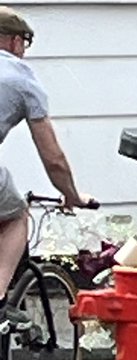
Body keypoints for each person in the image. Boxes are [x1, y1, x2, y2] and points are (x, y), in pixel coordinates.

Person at [0, 7, 94, 331]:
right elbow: (52, 157)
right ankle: (0, 299)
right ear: (13, 41)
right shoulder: (21, 77)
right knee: (16, 215)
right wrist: (71, 195)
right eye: (24, 42)